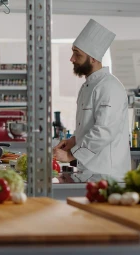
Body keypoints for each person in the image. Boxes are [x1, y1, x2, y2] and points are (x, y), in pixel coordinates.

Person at [53, 19, 131, 182]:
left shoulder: (110, 87)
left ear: (93, 58)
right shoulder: (87, 86)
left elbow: (103, 131)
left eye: (77, 54)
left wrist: (70, 155)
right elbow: (88, 125)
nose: (72, 59)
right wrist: (73, 141)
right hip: (89, 173)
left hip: (107, 176)